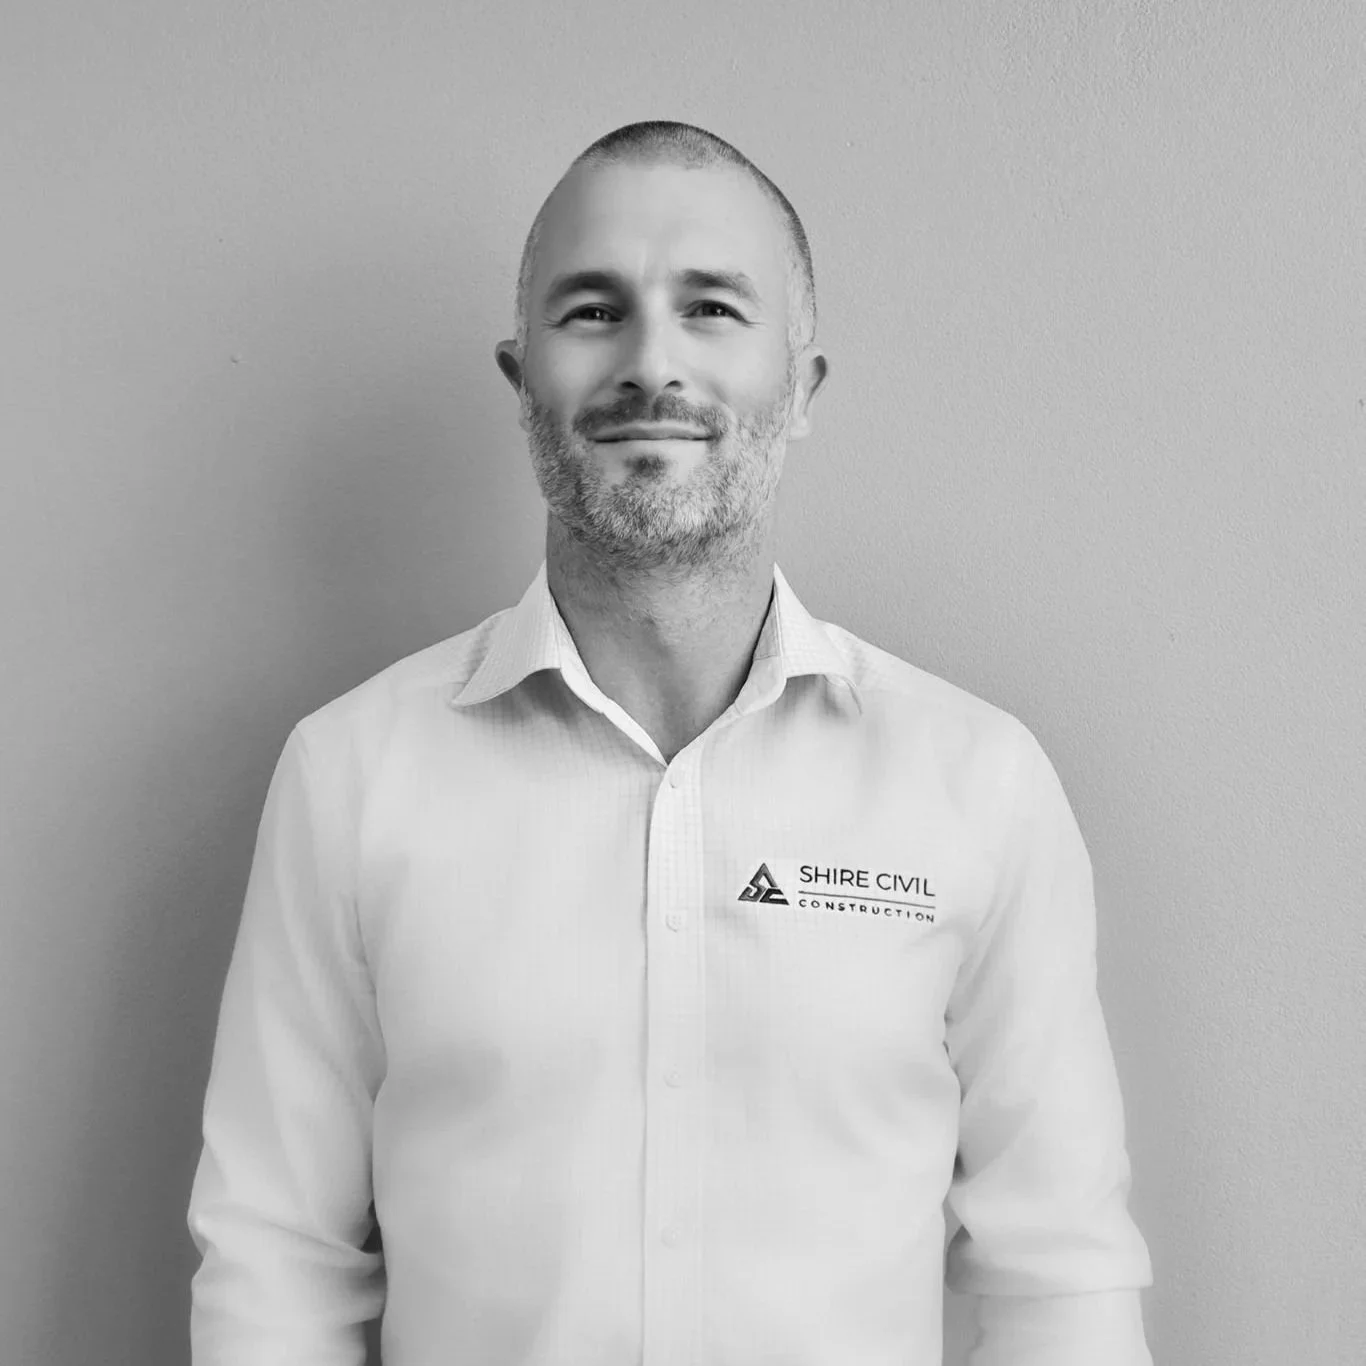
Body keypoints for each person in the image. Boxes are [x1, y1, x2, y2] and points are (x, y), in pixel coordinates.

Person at [187, 119, 1155, 1366]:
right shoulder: (352, 775)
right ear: (521, 379)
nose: (652, 363)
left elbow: (1059, 1273)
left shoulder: (977, 783)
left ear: (800, 389)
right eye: (593, 310)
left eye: (710, 309)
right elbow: (276, 1260)